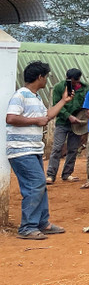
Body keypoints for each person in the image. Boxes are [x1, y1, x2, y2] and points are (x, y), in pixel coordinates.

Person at [5, 61, 70, 240]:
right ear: (40, 77)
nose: (47, 81)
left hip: (32, 149)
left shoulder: (35, 97)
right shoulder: (21, 95)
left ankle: (42, 223)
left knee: (39, 185)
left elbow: (46, 117)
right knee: (35, 185)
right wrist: (35, 121)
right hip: (21, 150)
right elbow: (10, 118)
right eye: (46, 77)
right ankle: (27, 227)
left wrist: (63, 101)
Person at [46, 68, 89, 184]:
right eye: (70, 81)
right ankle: (51, 175)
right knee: (57, 148)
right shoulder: (59, 87)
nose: (73, 83)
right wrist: (68, 116)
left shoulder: (85, 88)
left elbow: (87, 104)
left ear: (79, 79)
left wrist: (81, 118)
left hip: (78, 123)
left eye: (75, 81)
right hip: (63, 122)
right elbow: (56, 104)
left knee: (73, 149)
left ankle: (67, 173)